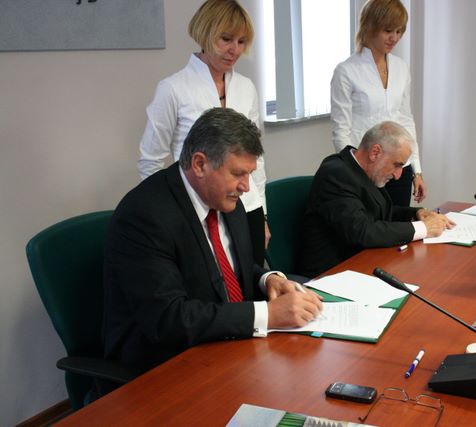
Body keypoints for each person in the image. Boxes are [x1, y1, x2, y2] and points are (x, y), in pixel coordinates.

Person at [104, 108, 323, 372]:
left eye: (249, 174)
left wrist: (267, 280)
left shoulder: (226, 199)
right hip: (166, 363)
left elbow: (230, 271)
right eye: (238, 174)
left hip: (226, 345)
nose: (246, 187)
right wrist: (269, 314)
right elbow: (167, 319)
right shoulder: (145, 216)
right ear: (200, 164)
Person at [137, 0, 269, 266]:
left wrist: (262, 214)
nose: (234, 50)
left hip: (247, 206)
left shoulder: (246, 88)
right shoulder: (173, 89)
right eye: (226, 39)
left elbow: (256, 159)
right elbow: (150, 161)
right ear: (206, 33)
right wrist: (170, 214)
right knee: (210, 284)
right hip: (197, 210)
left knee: (251, 281)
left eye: (241, 42)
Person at [298, 121, 454, 278]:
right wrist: (423, 228)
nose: (398, 175)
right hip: (330, 275)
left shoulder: (364, 171)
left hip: (361, 264)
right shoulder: (336, 174)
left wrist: (416, 214)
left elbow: (383, 212)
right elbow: (362, 231)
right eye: (397, 165)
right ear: (375, 152)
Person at [330, 0, 425, 207]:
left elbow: (406, 121)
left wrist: (416, 170)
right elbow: (341, 131)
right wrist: (353, 174)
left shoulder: (401, 68)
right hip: (365, 171)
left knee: (400, 222)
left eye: (399, 31)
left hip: (399, 168)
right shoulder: (346, 71)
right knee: (369, 225)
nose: (394, 38)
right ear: (370, 26)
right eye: (388, 30)